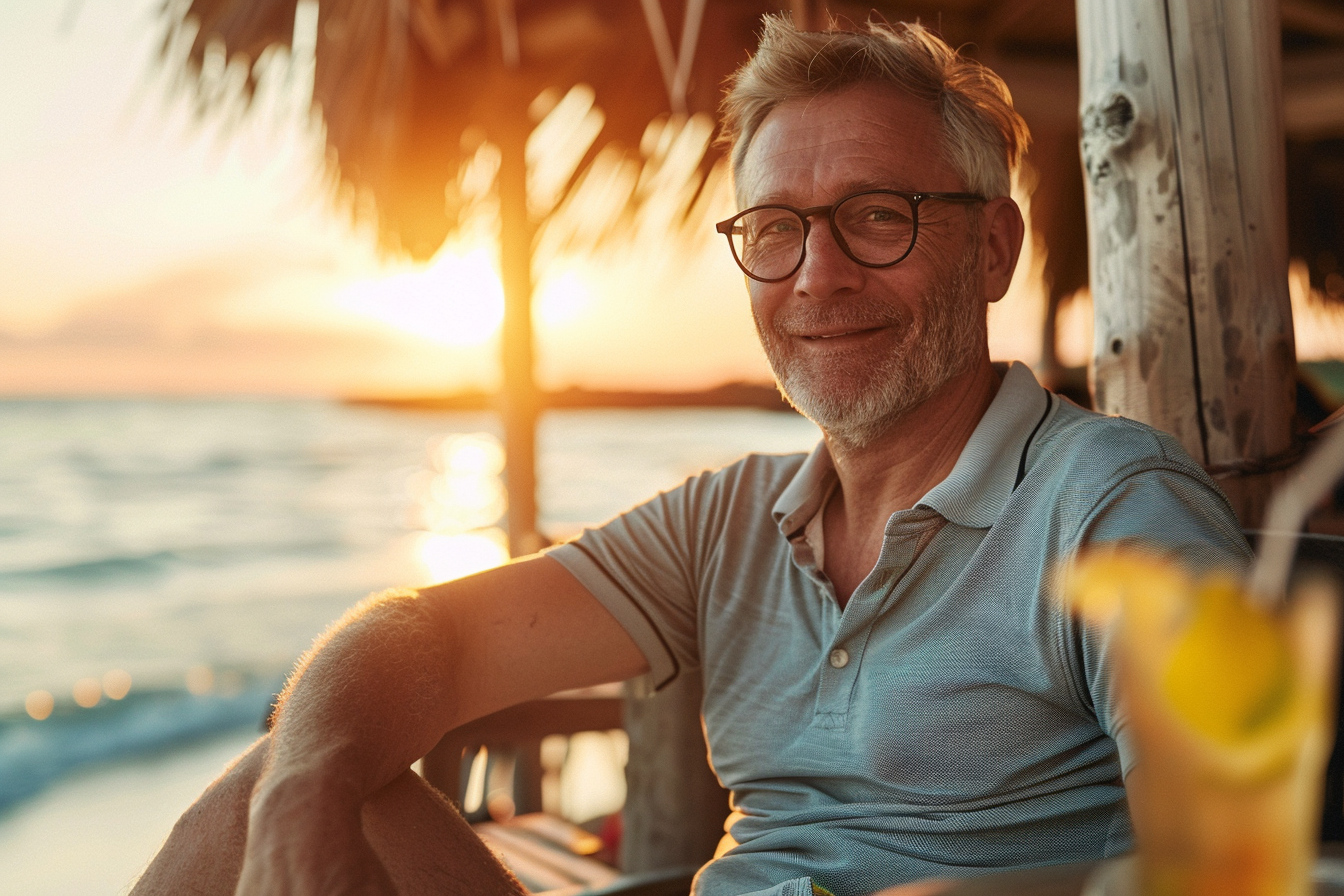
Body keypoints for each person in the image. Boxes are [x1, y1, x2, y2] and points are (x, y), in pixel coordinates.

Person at [132, 15, 1250, 896]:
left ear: (993, 246)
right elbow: (424, 631)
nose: (817, 276)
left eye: (877, 216)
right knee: (291, 783)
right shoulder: (727, 520)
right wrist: (301, 803)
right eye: (775, 229)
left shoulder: (1115, 511)